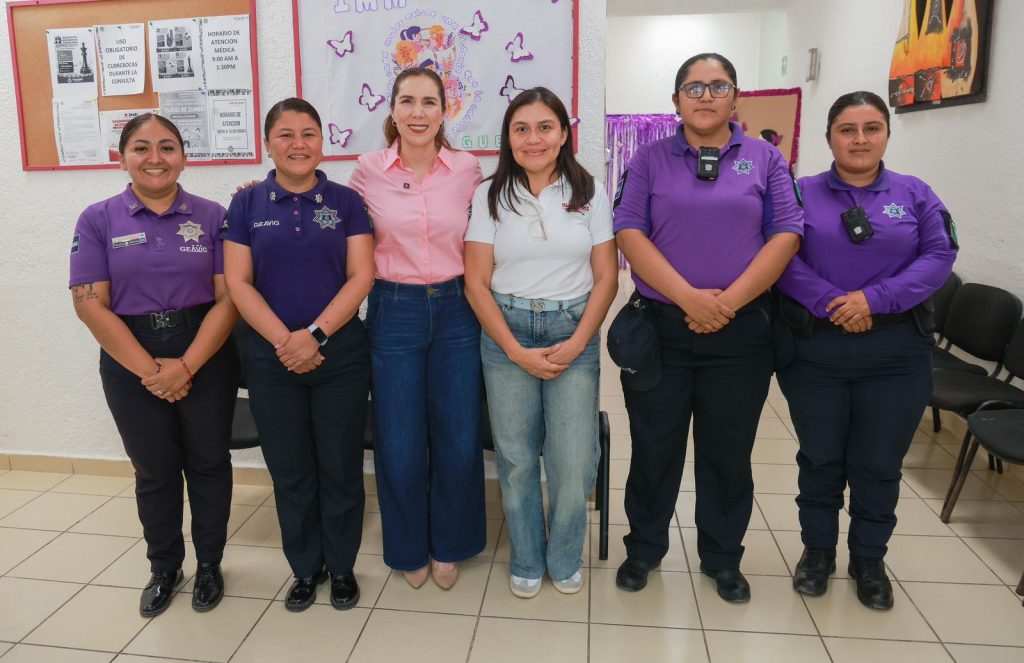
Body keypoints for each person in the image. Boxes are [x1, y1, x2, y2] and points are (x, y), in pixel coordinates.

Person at [612, 53, 803, 602]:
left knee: (728, 451)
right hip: (662, 331)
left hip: (740, 334)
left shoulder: (766, 158)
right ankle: (644, 549)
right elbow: (628, 230)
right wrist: (689, 298)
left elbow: (787, 234)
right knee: (654, 448)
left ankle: (722, 558)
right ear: (676, 100)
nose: (705, 96)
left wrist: (727, 304)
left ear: (735, 97)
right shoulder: (649, 159)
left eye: (718, 86)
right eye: (693, 87)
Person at [776, 91, 957, 610]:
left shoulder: (915, 194)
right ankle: (817, 552)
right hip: (817, 349)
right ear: (829, 137)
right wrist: (834, 303)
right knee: (820, 458)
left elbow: (939, 255)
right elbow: (778, 258)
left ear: (886, 135)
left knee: (878, 463)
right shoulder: (799, 193)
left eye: (871, 128)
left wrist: (872, 301)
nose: (860, 139)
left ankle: (869, 559)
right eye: (848, 129)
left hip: (896, 352)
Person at [69, 113, 239, 618]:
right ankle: (165, 567)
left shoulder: (213, 217)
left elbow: (229, 298)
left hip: (204, 347)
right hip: (129, 352)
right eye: (141, 148)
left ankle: (209, 565)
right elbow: (89, 304)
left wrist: (186, 366)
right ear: (122, 158)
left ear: (183, 157)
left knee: (209, 463)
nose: (155, 158)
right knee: (155, 469)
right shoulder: (97, 219)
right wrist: (152, 371)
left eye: (167, 147)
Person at [464, 87, 618, 598]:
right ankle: (527, 557)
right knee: (516, 458)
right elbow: (475, 283)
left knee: (573, 460)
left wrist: (578, 343)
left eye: (545, 127)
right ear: (508, 138)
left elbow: (606, 278)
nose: (534, 138)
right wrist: (513, 349)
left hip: (573, 329)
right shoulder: (490, 195)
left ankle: (564, 554)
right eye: (521, 129)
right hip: (505, 333)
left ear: (564, 134)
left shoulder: (589, 191)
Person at [222, 98, 374, 612]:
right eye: (285, 134)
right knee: (290, 470)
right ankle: (306, 569)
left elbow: (362, 275)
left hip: (340, 355)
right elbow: (239, 283)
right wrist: (286, 342)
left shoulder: (347, 202)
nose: (298, 144)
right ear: (268, 143)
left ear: (322, 142)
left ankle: (342, 566)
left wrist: (315, 335)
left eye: (308, 133)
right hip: (272, 360)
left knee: (340, 465)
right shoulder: (246, 205)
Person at [348, 67, 486, 590]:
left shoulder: (467, 169)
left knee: (458, 433)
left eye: (429, 102)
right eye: (407, 101)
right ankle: (407, 546)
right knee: (399, 437)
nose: (418, 113)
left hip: (457, 307)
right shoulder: (368, 170)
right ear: (392, 110)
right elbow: (337, 223)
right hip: (394, 308)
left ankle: (450, 543)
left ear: (445, 111)